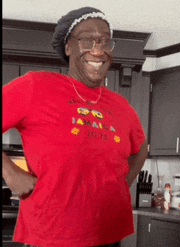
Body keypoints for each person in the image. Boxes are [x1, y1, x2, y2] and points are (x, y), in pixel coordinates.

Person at [2, 7, 148, 247]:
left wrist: (120, 186)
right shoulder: (35, 86)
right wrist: (9, 172)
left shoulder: (120, 105)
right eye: (87, 40)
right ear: (68, 47)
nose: (98, 49)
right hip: (53, 236)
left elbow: (141, 148)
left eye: (105, 41)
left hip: (108, 234)